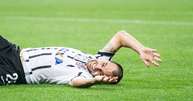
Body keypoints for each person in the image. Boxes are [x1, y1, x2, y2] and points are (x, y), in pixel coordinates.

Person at [0, 31, 161, 87]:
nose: (97, 66)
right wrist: (140, 49)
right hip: (13, 51)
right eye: (104, 64)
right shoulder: (97, 57)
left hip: (16, 71)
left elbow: (76, 83)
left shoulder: (84, 76)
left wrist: (94, 81)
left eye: (100, 71)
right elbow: (120, 36)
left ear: (103, 77)